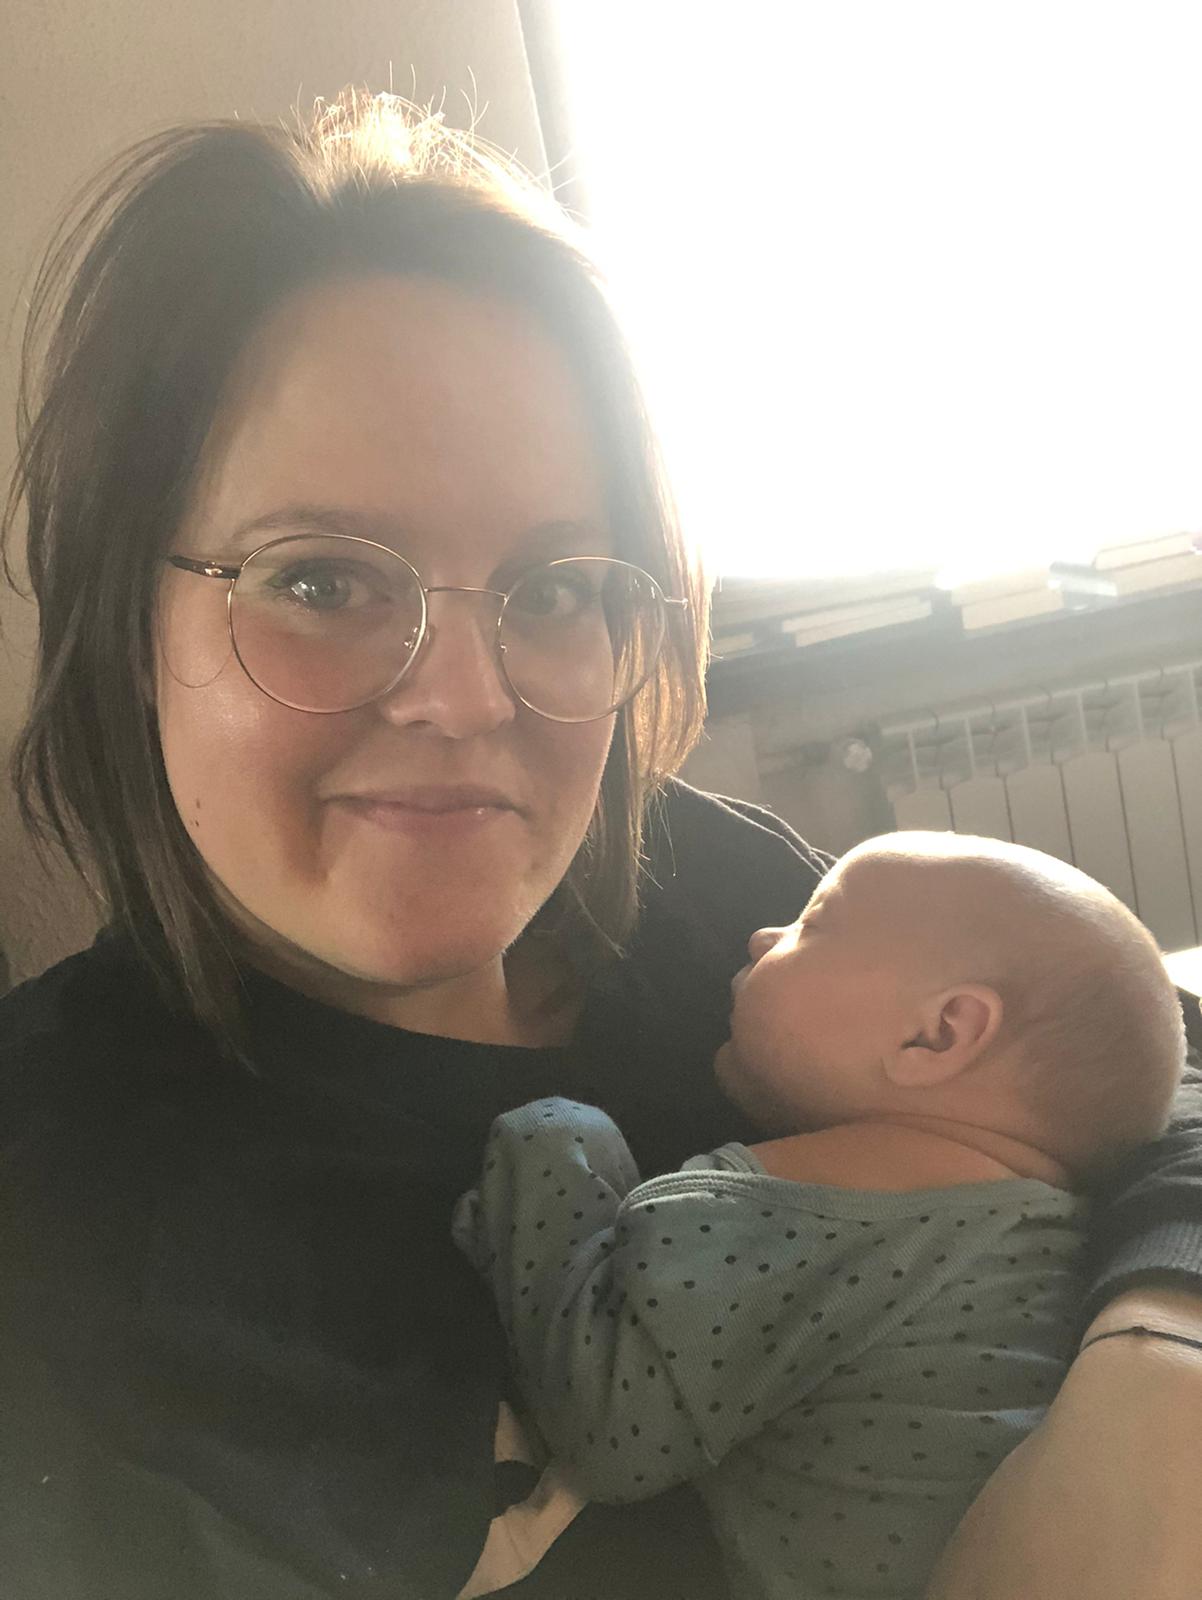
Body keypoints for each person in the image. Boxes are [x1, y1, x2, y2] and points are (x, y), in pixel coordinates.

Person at [0, 90, 1200, 1599]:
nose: (463, 699)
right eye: (319, 582)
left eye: (558, 587)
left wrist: (1159, 1353)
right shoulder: (51, 1236)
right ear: (129, 618)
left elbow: (1132, 1074)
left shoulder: (705, 895)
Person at [455, 833, 1186, 1599]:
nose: (760, 936)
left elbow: (610, 1427)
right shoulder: (1083, 1235)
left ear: (937, 1034)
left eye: (812, 923)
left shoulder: (777, 1211)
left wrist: (556, 1143)